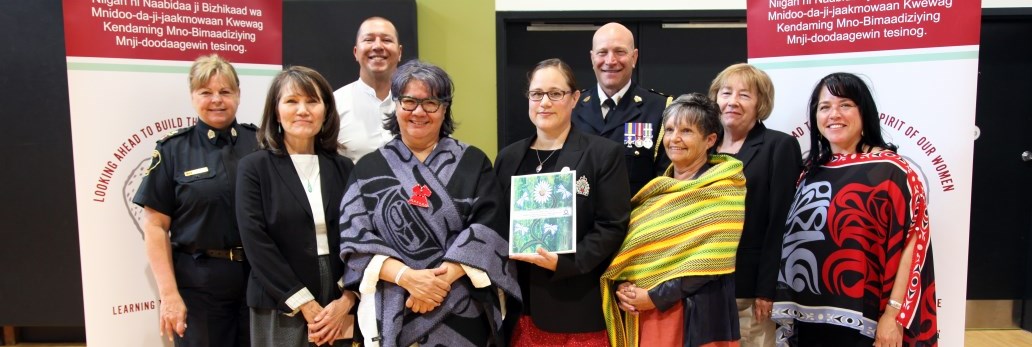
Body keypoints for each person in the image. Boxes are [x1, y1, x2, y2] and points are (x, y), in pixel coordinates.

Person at [338, 60, 521, 346]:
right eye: (409, 102)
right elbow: (354, 240)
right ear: (396, 105)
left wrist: (438, 282)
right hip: (395, 305)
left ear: (445, 108)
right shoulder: (368, 169)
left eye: (430, 103)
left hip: (461, 306)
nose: (419, 112)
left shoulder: (473, 162)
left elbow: (490, 228)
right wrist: (408, 278)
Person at [772, 73, 938, 347]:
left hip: (868, 320)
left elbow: (914, 243)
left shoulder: (893, 171)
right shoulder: (808, 172)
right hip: (807, 318)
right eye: (824, 107)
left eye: (845, 104)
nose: (834, 114)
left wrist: (894, 314)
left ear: (865, 112)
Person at [496, 58, 631, 346]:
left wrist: (564, 263)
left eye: (555, 94)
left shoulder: (602, 154)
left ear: (574, 98)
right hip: (518, 306)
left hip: (575, 306)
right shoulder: (508, 158)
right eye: (537, 94)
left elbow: (612, 226)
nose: (544, 102)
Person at [133, 53, 257, 346]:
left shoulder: (261, 143)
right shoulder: (173, 150)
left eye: (225, 92)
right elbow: (155, 226)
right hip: (200, 283)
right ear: (192, 97)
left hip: (257, 279)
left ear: (238, 95)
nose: (217, 100)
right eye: (206, 92)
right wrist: (169, 295)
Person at [602, 93, 745, 347]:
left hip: (696, 317)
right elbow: (635, 254)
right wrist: (625, 288)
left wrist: (655, 297)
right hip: (646, 315)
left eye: (687, 131)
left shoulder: (724, 188)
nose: (674, 139)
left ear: (710, 139)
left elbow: (710, 263)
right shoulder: (656, 191)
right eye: (669, 130)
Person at [235, 66, 356, 346]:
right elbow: (256, 242)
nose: (303, 110)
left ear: (325, 110)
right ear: (276, 111)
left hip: (338, 296)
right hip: (280, 296)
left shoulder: (344, 167)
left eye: (312, 101)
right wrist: (304, 303)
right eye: (292, 101)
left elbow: (358, 235)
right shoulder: (254, 168)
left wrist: (346, 299)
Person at [709, 63, 802, 347]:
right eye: (726, 93)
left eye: (744, 95)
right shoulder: (705, 147)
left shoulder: (779, 146)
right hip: (704, 285)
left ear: (760, 103)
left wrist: (767, 290)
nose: (732, 102)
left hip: (750, 288)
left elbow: (781, 224)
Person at [572, 22, 671, 194]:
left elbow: (667, 178)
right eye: (602, 52)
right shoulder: (571, 106)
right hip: (581, 219)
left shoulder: (660, 108)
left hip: (636, 218)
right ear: (592, 58)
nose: (610, 61)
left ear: (634, 58)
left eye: (620, 52)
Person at [335, 16, 402, 162]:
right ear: (355, 52)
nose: (377, 46)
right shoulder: (333, 104)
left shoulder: (418, 104)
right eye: (369, 40)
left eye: (386, 40)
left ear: (400, 52)